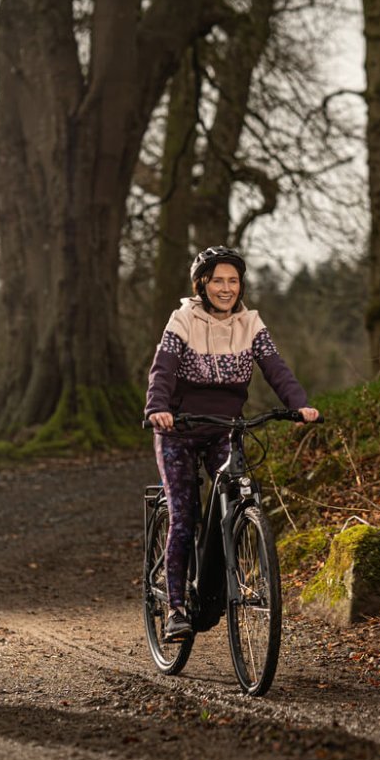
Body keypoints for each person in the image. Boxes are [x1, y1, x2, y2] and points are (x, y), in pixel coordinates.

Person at [145, 245, 320, 642]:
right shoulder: (182, 320)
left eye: (233, 280)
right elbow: (163, 372)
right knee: (184, 512)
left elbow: (276, 368)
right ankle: (175, 607)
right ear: (202, 284)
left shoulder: (250, 324)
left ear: (241, 285)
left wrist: (300, 405)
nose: (226, 288)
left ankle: (222, 580)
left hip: (225, 426)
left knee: (240, 493)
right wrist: (158, 407)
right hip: (179, 429)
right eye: (218, 280)